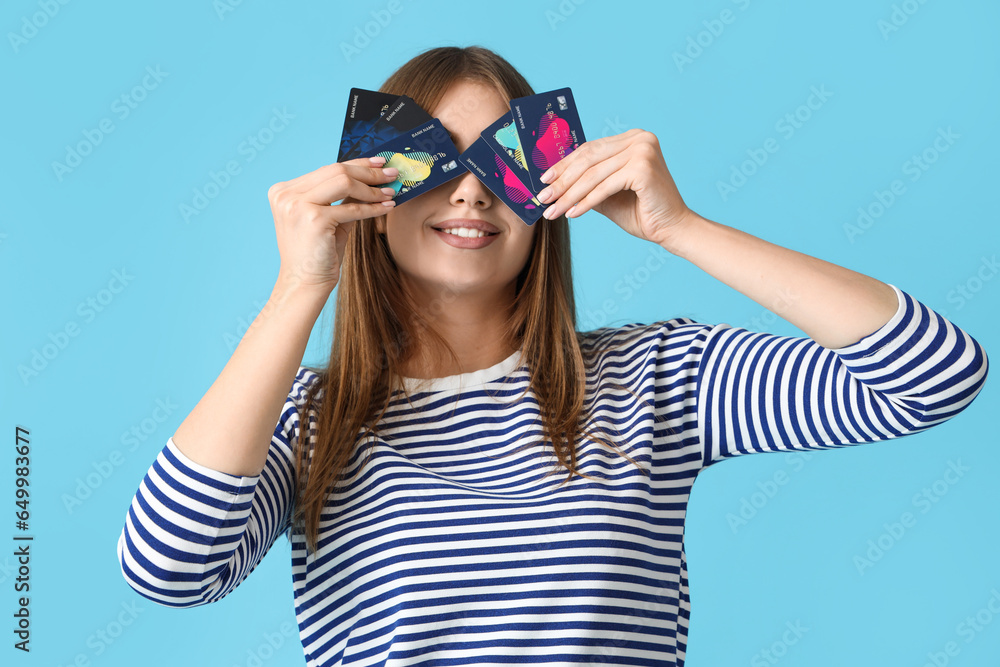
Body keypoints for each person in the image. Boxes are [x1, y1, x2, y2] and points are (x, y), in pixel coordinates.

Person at [116, 45, 989, 667]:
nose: (469, 190)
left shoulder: (661, 376)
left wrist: (679, 228)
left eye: (502, 161)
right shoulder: (310, 416)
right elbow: (168, 568)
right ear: (373, 189)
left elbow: (935, 375)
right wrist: (301, 286)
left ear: (550, 189)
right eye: (431, 162)